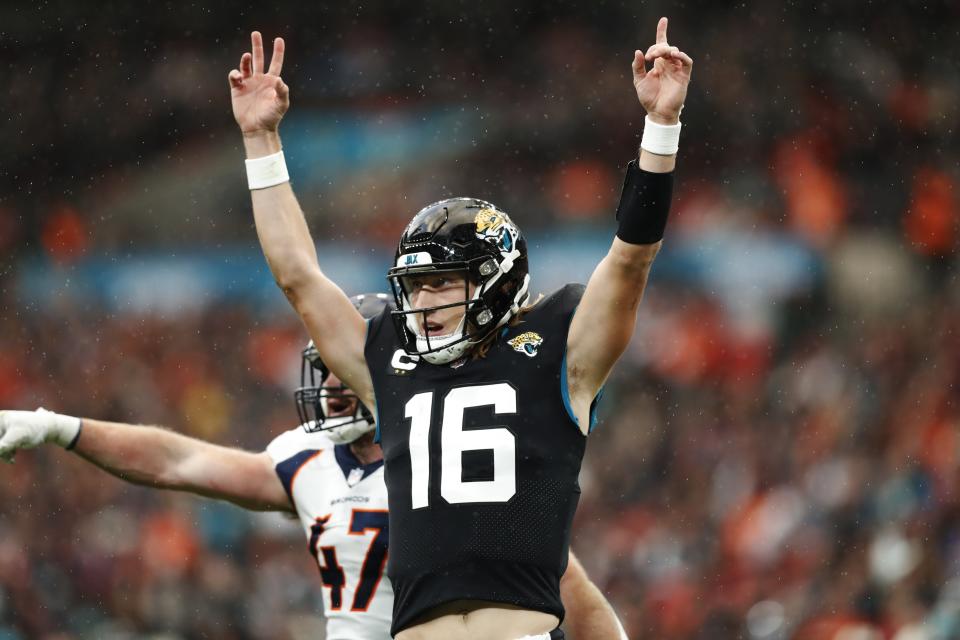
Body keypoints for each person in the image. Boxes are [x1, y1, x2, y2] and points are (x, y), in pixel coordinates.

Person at [230, 16, 690, 640]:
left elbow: (632, 255)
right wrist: (261, 141)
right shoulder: (388, 361)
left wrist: (661, 127)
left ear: (497, 281)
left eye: (442, 283)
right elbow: (298, 276)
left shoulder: (558, 346)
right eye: (415, 286)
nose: (424, 302)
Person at [0, 294, 627, 640]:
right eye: (321, 367)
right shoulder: (305, 460)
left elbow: (566, 587)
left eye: (341, 367)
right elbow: (178, 459)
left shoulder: (452, 458)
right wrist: (64, 427)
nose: (329, 384)